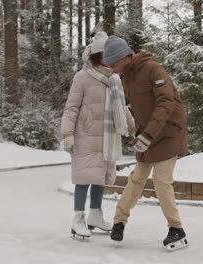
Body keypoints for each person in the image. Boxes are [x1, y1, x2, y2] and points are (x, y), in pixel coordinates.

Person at [103, 36, 190, 251]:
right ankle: (119, 222)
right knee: (136, 179)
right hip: (148, 135)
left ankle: (177, 229)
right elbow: (140, 109)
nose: (113, 70)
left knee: (161, 180)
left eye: (114, 64)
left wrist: (149, 134)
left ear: (125, 57)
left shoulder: (153, 69)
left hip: (168, 133)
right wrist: (139, 133)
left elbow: (165, 102)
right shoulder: (126, 76)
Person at [60, 32, 135, 239]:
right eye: (103, 55)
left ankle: (95, 215)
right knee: (84, 178)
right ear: (95, 56)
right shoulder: (82, 77)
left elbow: (122, 107)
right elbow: (71, 107)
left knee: (99, 178)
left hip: (108, 137)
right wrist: (67, 133)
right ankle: (78, 218)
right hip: (85, 135)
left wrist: (133, 127)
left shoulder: (115, 79)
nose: (107, 58)